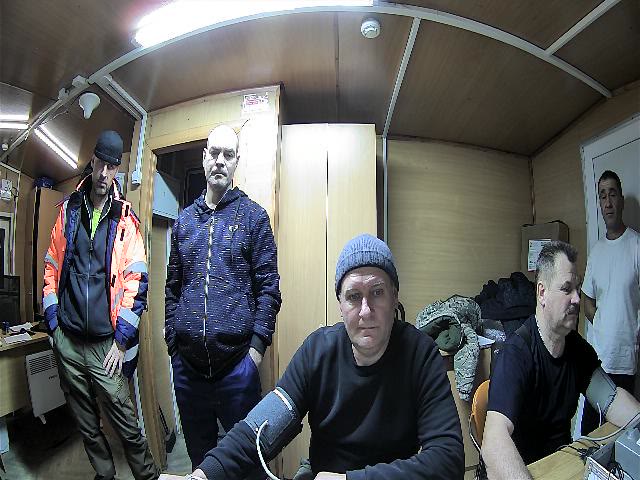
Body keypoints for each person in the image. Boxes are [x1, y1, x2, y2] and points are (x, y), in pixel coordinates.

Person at [163, 234, 464, 480]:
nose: (365, 311)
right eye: (353, 296)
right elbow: (259, 430)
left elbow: (447, 460)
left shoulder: (419, 353)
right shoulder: (317, 351)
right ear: (340, 304)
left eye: (377, 292)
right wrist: (202, 475)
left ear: (394, 297)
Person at [164, 124, 282, 471]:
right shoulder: (184, 222)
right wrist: (173, 346)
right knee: (202, 463)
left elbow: (269, 288)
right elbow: (172, 288)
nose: (219, 161)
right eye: (214, 153)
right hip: (188, 372)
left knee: (250, 462)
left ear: (235, 162)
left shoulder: (254, 218)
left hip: (237, 370)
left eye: (227, 155)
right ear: (204, 158)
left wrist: (255, 354)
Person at [43, 130, 159, 480]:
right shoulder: (68, 211)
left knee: (128, 425)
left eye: (112, 167)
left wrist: (121, 341)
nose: (104, 173)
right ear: (92, 161)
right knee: (86, 425)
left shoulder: (126, 220)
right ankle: (105, 475)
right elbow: (51, 266)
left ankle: (147, 476)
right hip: (68, 341)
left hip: (105, 347)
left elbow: (137, 283)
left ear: (117, 170)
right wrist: (53, 325)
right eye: (101, 164)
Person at [482, 241, 640, 479]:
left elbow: (612, 399)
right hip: (524, 470)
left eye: (578, 288)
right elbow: (494, 443)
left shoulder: (577, 349)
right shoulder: (515, 354)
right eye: (567, 289)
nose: (577, 299)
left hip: (562, 465)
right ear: (542, 293)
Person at [581, 170, 640, 434]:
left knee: (620, 435)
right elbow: (587, 300)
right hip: (598, 359)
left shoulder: (636, 246)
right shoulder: (596, 251)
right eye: (602, 196)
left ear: (621, 200)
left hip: (626, 360)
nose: (608, 202)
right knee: (589, 435)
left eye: (612, 194)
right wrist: (603, 323)